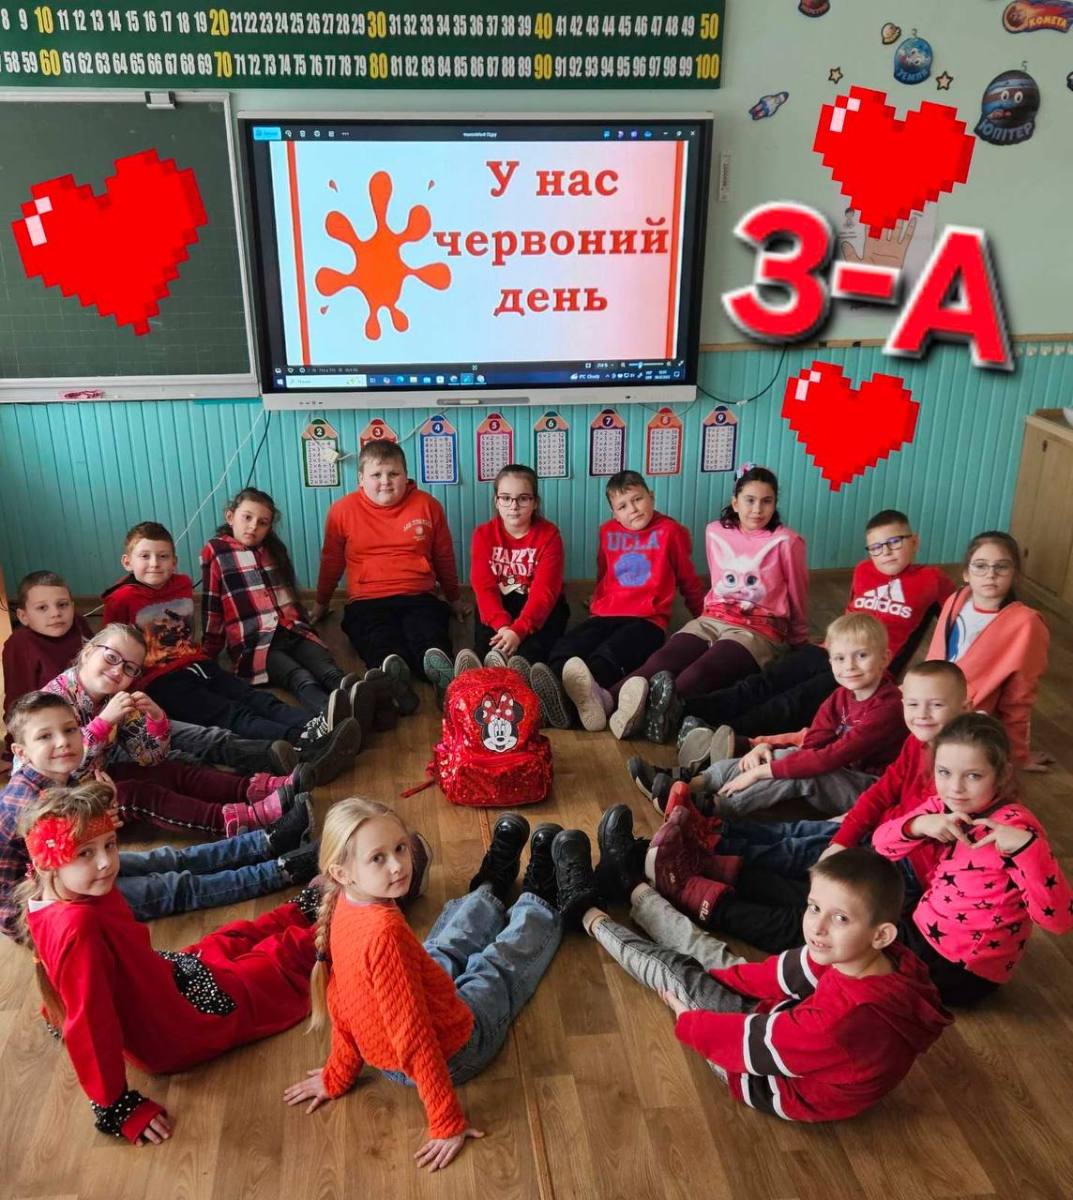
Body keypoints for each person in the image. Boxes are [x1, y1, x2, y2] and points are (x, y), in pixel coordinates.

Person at [283, 801, 599, 1172]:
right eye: (378, 858)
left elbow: (344, 1004)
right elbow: (414, 1038)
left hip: (404, 1043)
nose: (398, 865)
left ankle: (490, 887)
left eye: (400, 848)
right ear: (343, 872)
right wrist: (446, 1121)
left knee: (441, 948)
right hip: (453, 1054)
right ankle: (540, 897)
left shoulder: (347, 902)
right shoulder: (383, 933)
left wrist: (337, 1075)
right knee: (495, 970)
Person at [15, 781, 320, 1144]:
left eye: (109, 845)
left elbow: (58, 973)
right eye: (85, 853)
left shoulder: (54, 899)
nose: (105, 862)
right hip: (171, 1030)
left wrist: (56, 1012)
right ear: (48, 865)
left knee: (228, 940)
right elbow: (91, 1022)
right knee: (273, 965)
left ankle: (304, 908)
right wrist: (116, 1106)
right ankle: (335, 921)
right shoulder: (78, 926)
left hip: (159, 982)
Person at [585, 838, 951, 1121]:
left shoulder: (844, 1019)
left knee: (678, 973)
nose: (818, 927)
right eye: (814, 907)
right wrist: (719, 975)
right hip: (792, 1024)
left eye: (840, 918)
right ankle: (634, 888)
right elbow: (780, 974)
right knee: (710, 959)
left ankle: (587, 914)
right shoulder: (866, 955)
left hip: (775, 1081)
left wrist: (691, 1021)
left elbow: (759, 1046)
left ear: (881, 934)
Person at [634, 661, 972, 954]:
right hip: (887, 834)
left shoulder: (961, 763)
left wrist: (850, 836)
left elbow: (918, 829)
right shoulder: (915, 740)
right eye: (913, 704)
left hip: (901, 863)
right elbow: (878, 791)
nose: (922, 714)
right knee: (797, 830)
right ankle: (711, 829)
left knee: (799, 848)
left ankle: (708, 846)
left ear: (965, 706)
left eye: (936, 705)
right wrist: (847, 832)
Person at [0, 691, 325, 938]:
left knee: (167, 858)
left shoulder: (58, 776)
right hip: (49, 910)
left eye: (70, 730)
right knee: (176, 887)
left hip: (79, 871)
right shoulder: (25, 803)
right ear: (21, 752)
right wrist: (102, 820)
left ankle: (265, 842)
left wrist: (103, 818)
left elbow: (85, 840)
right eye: (45, 736)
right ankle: (281, 870)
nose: (63, 742)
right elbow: (54, 867)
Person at [0, 571, 347, 782]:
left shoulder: (81, 630)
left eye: (62, 604)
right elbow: (20, 710)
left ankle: (301, 746)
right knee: (190, 760)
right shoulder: (22, 647)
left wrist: (153, 719)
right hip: (85, 754)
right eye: (42, 608)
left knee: (206, 736)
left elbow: (121, 673)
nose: (56, 614)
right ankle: (285, 764)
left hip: (119, 719)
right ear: (23, 615)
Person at [674, 508, 955, 753]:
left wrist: (926, 679)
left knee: (794, 701)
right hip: (829, 650)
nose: (887, 552)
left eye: (895, 542)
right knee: (766, 681)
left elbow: (956, 624)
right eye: (877, 547)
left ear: (914, 541)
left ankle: (720, 734)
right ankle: (684, 710)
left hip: (864, 668)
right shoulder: (863, 570)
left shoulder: (932, 579)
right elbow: (849, 615)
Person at [873, 713, 1072, 1004]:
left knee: (849, 952)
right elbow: (882, 846)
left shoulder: (1017, 829)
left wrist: (1027, 849)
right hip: (925, 926)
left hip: (960, 966)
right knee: (850, 918)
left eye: (973, 776)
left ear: (1002, 775)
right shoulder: (942, 805)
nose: (955, 787)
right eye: (944, 772)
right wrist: (918, 825)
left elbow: (1058, 921)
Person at [36, 625, 304, 837]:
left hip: (98, 779)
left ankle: (254, 789)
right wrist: (103, 722)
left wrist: (157, 720)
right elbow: (65, 766)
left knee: (171, 770)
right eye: (111, 657)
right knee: (139, 793)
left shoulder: (114, 698)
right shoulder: (52, 701)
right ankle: (238, 820)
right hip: (60, 807)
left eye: (129, 668)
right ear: (87, 652)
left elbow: (149, 758)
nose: (117, 671)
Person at [629, 614, 904, 819]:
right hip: (842, 772)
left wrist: (760, 772)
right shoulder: (841, 696)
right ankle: (691, 783)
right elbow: (813, 744)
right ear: (830, 662)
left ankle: (712, 809)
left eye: (862, 656)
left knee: (801, 772)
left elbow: (830, 757)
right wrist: (766, 749)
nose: (850, 666)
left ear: (885, 659)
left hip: (872, 790)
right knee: (784, 757)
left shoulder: (889, 707)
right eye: (840, 658)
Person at [610, 464, 809, 744]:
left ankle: (651, 715)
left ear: (775, 503)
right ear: (735, 502)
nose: (757, 509)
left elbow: (798, 592)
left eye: (767, 501)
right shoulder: (716, 532)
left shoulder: (787, 541)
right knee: (662, 660)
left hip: (758, 629)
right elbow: (716, 581)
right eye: (750, 500)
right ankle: (606, 700)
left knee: (697, 673)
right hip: (712, 618)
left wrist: (798, 640)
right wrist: (701, 616)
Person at [103, 520, 318, 743]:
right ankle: (301, 740)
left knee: (251, 696)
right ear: (127, 562)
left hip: (196, 662)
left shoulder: (182, 584)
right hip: (160, 680)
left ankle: (316, 725)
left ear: (174, 562)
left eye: (163, 556)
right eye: (145, 556)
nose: (155, 563)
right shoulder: (120, 599)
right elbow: (110, 650)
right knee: (230, 713)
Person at [530, 469, 704, 732]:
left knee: (610, 653)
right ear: (614, 513)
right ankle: (556, 701)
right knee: (566, 647)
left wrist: (703, 617)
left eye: (637, 499)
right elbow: (604, 572)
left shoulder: (670, 531)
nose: (632, 509)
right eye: (622, 506)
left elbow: (688, 579)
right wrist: (598, 599)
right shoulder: (607, 531)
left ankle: (584, 701)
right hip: (605, 614)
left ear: (651, 497)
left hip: (647, 621)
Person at [313, 439, 466, 709]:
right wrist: (321, 603)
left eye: (393, 473)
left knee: (428, 632)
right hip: (367, 599)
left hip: (418, 595)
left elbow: (444, 556)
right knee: (377, 638)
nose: (385, 481)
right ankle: (392, 677)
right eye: (376, 475)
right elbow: (331, 561)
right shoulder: (342, 510)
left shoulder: (428, 505)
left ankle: (442, 678)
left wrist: (453, 598)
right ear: (361, 479)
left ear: (406, 476)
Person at [201, 487, 352, 731]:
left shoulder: (272, 550)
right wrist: (208, 652)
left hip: (292, 629)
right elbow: (212, 604)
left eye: (262, 523)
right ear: (230, 516)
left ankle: (370, 702)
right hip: (256, 640)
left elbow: (289, 598)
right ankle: (333, 716)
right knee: (300, 677)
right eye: (247, 517)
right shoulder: (217, 551)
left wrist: (306, 628)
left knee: (329, 671)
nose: (253, 527)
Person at [423, 464, 568, 706]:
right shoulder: (483, 535)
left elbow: (545, 592)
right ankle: (471, 686)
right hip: (499, 606)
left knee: (530, 653)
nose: (514, 505)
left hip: (537, 609)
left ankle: (524, 687)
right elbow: (484, 587)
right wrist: (503, 626)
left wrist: (518, 631)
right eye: (506, 498)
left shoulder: (549, 535)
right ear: (496, 501)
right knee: (489, 649)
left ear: (535, 502)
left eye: (523, 498)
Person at [926, 531, 1049, 769]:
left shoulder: (1026, 623)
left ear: (1015, 573)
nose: (990, 574)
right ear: (966, 573)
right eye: (980, 566)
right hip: (932, 699)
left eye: (1001, 567)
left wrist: (1018, 755)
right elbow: (934, 658)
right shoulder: (956, 599)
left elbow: (1020, 696)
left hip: (969, 717)